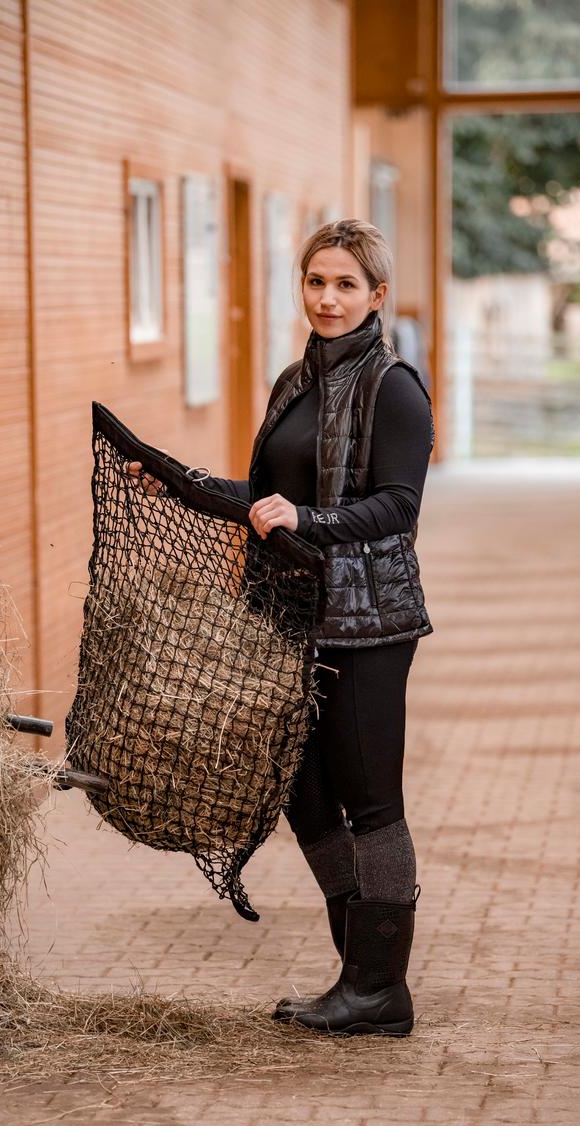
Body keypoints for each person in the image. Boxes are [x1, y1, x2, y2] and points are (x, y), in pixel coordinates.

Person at [128, 219, 433, 1036]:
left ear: (375, 295)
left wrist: (309, 517)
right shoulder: (291, 382)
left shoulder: (393, 386)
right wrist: (174, 483)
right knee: (303, 793)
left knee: (370, 803)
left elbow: (398, 507)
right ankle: (355, 969)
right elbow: (263, 498)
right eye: (314, 282)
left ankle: (380, 990)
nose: (327, 299)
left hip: (367, 623)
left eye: (344, 285)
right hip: (288, 617)